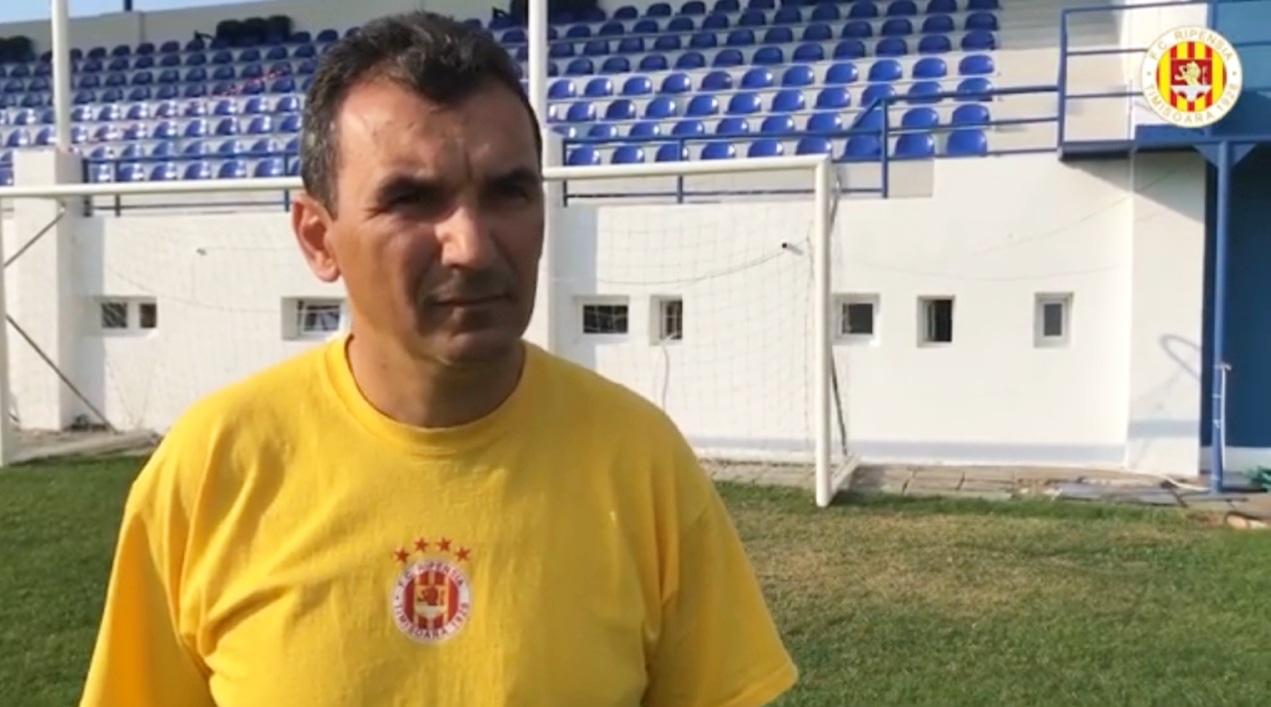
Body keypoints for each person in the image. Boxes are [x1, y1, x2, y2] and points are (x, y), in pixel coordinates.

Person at [79, 10, 797, 707]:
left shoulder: (641, 459)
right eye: (411, 200)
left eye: (508, 192)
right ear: (318, 238)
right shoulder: (212, 466)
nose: (472, 247)